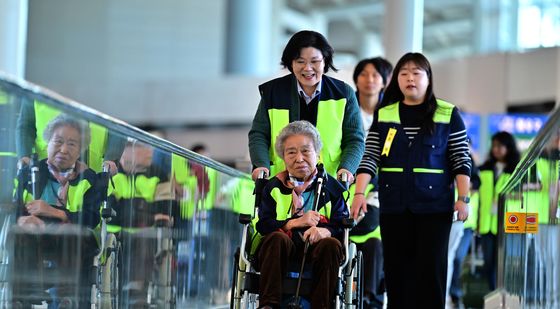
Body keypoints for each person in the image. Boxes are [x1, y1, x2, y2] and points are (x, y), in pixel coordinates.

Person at [350, 52, 472, 309]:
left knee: (431, 273)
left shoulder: (448, 114)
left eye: (417, 72)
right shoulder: (385, 114)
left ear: (428, 78)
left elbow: (461, 160)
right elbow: (370, 157)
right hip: (395, 206)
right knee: (397, 273)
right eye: (403, 73)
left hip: (435, 209)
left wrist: (463, 198)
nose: (410, 78)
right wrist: (359, 194)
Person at [248, 30, 364, 182]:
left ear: (325, 61)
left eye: (315, 61)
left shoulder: (343, 93)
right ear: (291, 63)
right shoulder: (273, 92)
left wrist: (347, 168)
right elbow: (259, 134)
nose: (308, 68)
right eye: (300, 61)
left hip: (329, 184)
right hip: (281, 183)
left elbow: (355, 139)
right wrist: (261, 165)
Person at [256, 120, 349, 308]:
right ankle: (269, 305)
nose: (299, 158)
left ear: (318, 153)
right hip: (282, 248)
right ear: (283, 157)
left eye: (306, 151)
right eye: (291, 152)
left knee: (331, 245)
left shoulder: (331, 187)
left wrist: (327, 231)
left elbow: (343, 224)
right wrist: (293, 223)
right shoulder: (272, 187)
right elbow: (263, 225)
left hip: (318, 249)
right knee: (275, 239)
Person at [12, 114, 101, 307]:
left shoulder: (89, 178)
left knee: (71, 234)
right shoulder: (31, 173)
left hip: (74, 242)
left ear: (80, 150)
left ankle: (65, 298)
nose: (63, 149)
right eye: (58, 141)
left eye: (72, 144)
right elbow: (15, 208)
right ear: (48, 142)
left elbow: (91, 218)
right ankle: (24, 295)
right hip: (37, 237)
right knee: (19, 234)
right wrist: (22, 221)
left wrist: (54, 213)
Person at [351, 57, 393, 308]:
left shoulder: (390, 114)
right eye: (364, 74)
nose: (369, 80)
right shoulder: (347, 108)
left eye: (375, 75)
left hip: (378, 188)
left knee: (373, 237)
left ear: (385, 82)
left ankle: (371, 295)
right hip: (346, 185)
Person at [478, 131, 520, 291]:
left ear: (509, 147)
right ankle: (493, 293)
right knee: (488, 262)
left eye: (500, 146)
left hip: (506, 225)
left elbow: (531, 188)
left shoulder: (517, 170)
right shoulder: (484, 168)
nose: (496, 149)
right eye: (494, 145)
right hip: (486, 224)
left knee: (503, 263)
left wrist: (510, 196)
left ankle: (504, 293)